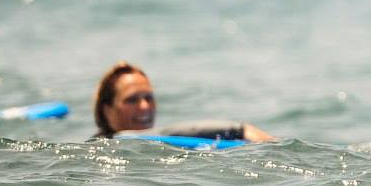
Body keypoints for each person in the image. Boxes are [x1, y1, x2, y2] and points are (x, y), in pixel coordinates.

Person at [90, 62, 276, 142]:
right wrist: (241, 130)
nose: (145, 107)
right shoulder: (110, 145)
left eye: (149, 98)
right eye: (132, 100)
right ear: (107, 110)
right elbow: (173, 131)